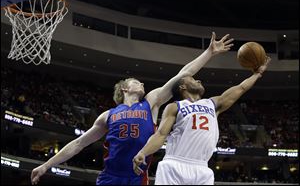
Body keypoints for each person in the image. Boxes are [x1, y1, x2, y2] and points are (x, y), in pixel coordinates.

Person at [31, 32, 234, 185]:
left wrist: (209, 53)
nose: (143, 85)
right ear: (125, 88)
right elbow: (78, 143)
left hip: (137, 178)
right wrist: (47, 165)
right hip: (110, 177)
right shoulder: (107, 116)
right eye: (138, 82)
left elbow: (183, 74)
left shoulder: (151, 103)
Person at [133, 57, 271, 185]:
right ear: (182, 87)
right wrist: (143, 152)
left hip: (202, 168)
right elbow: (161, 135)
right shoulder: (175, 106)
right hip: (174, 163)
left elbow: (241, 88)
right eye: (193, 79)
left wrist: (257, 74)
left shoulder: (212, 103)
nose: (198, 81)